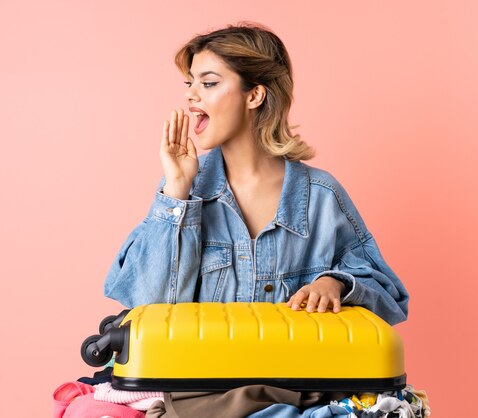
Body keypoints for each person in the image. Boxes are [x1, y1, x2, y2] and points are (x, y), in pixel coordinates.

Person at [104, 22, 408, 325]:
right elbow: (145, 304)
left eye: (208, 83)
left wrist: (336, 284)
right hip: (199, 373)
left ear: (254, 96)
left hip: (290, 372)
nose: (190, 96)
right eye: (189, 84)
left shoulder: (321, 196)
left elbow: (389, 297)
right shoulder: (182, 193)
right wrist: (177, 187)